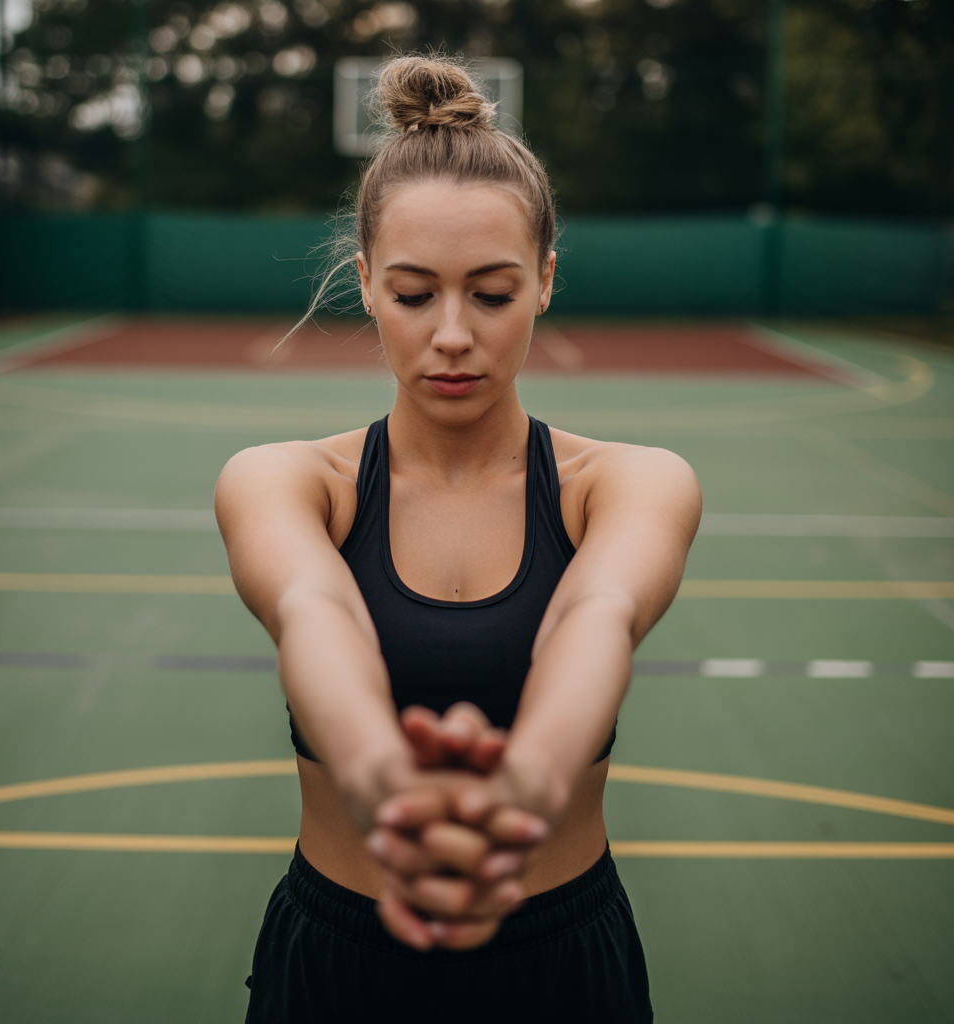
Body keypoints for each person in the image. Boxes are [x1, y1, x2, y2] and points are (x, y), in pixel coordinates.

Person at [215, 53, 701, 1024]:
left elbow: (596, 620)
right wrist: (385, 787)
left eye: (490, 293)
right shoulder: (280, 480)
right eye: (412, 294)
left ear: (545, 282)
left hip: (561, 963)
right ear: (364, 284)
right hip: (337, 965)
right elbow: (314, 616)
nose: (450, 334)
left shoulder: (632, 482)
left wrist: (521, 790)